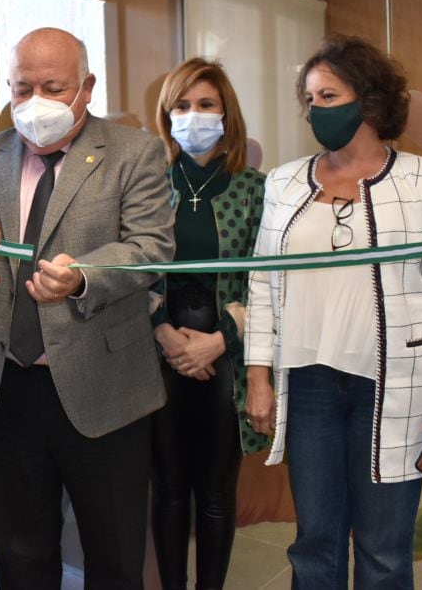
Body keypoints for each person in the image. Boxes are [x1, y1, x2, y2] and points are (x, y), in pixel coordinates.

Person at [0, 27, 175, 589]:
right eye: (22, 89)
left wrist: (80, 280)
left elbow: (151, 248)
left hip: (106, 385)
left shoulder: (134, 152)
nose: (35, 102)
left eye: (53, 86)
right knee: (21, 555)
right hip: (6, 386)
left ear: (86, 87)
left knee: (115, 555)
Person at [244, 33, 422, 589]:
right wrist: (258, 376)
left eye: (328, 96)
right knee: (315, 544)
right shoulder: (283, 182)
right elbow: (260, 284)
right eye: (309, 99)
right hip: (310, 384)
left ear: (369, 101)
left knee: (384, 550)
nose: (314, 110)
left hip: (394, 384)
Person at [149, 58, 267, 590]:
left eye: (206, 105)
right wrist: (166, 334)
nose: (193, 115)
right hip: (158, 353)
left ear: (227, 115)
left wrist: (220, 340)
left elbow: (270, 280)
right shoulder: (146, 182)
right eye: (182, 105)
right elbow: (130, 267)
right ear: (166, 113)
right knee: (169, 489)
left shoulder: (256, 188)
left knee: (217, 496)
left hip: (228, 357)